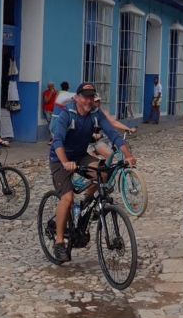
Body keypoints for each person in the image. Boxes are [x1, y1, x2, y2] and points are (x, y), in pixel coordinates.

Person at [49, 82, 136, 263]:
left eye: (91, 97)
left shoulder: (95, 114)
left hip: (81, 156)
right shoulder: (68, 114)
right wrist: (65, 162)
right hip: (60, 159)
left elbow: (112, 133)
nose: (89, 100)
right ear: (77, 98)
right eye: (85, 97)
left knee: (103, 173)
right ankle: (59, 243)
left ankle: (86, 206)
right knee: (67, 198)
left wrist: (128, 155)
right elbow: (57, 140)